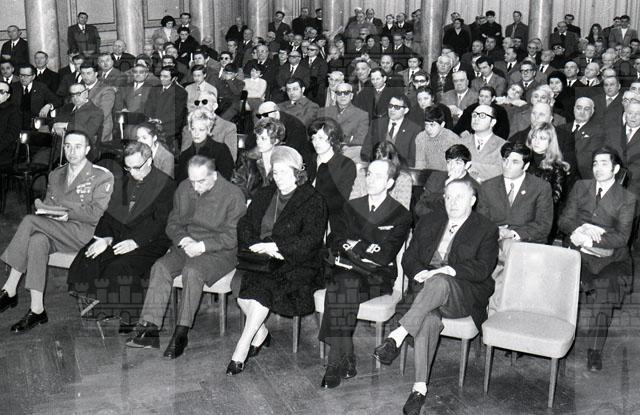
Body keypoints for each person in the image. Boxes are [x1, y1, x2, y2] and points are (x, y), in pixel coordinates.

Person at [372, 178, 499, 415]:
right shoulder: (430, 220)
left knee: (440, 281)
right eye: (448, 197)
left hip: (461, 293)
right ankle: (419, 389)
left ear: (472, 200)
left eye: (459, 197)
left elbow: (483, 267)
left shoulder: (486, 228)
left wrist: (450, 270)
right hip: (424, 292)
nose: (453, 202)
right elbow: (409, 257)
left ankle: (398, 334)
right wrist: (419, 272)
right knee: (429, 319)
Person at [126, 155, 246, 358]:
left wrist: (202, 246)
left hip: (220, 251)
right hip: (187, 245)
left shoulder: (233, 195)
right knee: (160, 267)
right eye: (192, 181)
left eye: (201, 181)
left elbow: (233, 236)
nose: (195, 187)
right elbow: (173, 223)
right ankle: (150, 328)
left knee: (192, 271)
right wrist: (184, 240)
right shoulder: (184, 187)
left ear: (214, 175)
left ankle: (181, 332)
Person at [0, 131, 114, 332]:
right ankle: (37, 310)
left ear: (87, 149)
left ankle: (9, 288)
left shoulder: (102, 176)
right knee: (37, 240)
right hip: (57, 230)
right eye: (68, 146)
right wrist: (47, 211)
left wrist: (67, 213)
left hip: (85, 234)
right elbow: (48, 206)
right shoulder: (56, 174)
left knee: (29, 221)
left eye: (78, 146)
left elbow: (96, 214)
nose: (72, 151)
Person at [227, 146, 327, 375]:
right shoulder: (265, 193)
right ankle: (261, 332)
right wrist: (256, 245)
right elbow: (245, 224)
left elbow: (311, 240)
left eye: (283, 172)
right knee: (238, 284)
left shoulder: (313, 199)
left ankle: (242, 347)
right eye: (275, 171)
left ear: (297, 172)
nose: (277, 177)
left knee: (262, 289)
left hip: (297, 263)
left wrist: (277, 247)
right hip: (262, 258)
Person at [319, 159, 412, 388]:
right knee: (344, 285)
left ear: (390, 183)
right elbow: (335, 239)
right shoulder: (351, 206)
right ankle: (342, 358)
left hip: (377, 276)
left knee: (339, 287)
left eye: (378, 176)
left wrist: (354, 245)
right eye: (369, 174)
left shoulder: (401, 215)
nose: (370, 179)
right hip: (347, 269)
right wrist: (366, 246)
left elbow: (385, 255)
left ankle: (339, 360)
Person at [67, 141, 175, 330]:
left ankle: (129, 315)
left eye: (136, 168)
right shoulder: (124, 181)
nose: (132, 173)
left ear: (149, 161)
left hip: (152, 240)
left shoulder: (166, 184)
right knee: (90, 255)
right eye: (128, 167)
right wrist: (105, 238)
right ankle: (104, 304)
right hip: (121, 233)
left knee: (122, 264)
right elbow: (110, 213)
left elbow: (160, 222)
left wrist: (136, 242)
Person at [558, 147, 636, 371]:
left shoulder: (627, 198)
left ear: (616, 169)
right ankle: (553, 336)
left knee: (605, 293)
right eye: (595, 163)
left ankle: (594, 350)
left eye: (604, 163)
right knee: (559, 285)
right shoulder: (581, 187)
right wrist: (581, 229)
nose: (598, 168)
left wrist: (592, 239)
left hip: (612, 259)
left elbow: (622, 237)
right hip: (579, 254)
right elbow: (564, 220)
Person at [307, 117, 357, 231]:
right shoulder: (309, 160)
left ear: (332, 139)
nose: (316, 142)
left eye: (321, 138)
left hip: (331, 219)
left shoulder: (346, 165)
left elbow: (341, 200)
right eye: (313, 138)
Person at [414, 144, 479, 217]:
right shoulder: (436, 177)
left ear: (467, 165)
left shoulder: (474, 187)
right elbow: (419, 206)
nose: (452, 167)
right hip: (429, 221)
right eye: (449, 162)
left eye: (458, 163)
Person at [361, 95, 422, 165]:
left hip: (400, 168)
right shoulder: (376, 124)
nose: (392, 109)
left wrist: (394, 164)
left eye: (397, 107)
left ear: (406, 110)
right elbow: (365, 151)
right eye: (390, 106)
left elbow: (413, 159)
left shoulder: (414, 129)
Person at [177, 109, 234, 182]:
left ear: (208, 130)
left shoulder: (221, 150)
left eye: (201, 129)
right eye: (193, 129)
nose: (196, 133)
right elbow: (181, 183)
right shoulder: (185, 155)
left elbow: (225, 179)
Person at [232, 117, 284, 199]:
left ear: (276, 141)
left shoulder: (285, 160)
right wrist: (246, 199)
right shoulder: (247, 158)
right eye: (257, 137)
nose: (258, 141)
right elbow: (237, 182)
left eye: (263, 138)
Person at [525, 123, 571, 210]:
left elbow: (555, 200)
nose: (536, 142)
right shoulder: (522, 159)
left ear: (550, 142)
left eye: (542, 138)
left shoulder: (557, 168)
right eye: (534, 137)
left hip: (541, 211)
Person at [318, 82, 369, 157]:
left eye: (346, 93)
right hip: (323, 151)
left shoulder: (362, 115)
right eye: (339, 93)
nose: (342, 96)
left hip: (348, 154)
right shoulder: (323, 112)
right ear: (335, 96)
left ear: (351, 96)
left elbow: (359, 141)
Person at [144, 66, 188, 153]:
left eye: (165, 77)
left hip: (169, 125)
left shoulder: (180, 92)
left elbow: (176, 113)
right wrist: (150, 118)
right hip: (153, 122)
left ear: (174, 78)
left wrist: (159, 120)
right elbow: (148, 106)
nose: (162, 79)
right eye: (161, 76)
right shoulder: (155, 88)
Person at [459, 104, 506, 182]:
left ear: (492, 122)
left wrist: (468, 166)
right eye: (474, 115)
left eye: (482, 115)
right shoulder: (460, 143)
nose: (476, 118)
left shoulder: (503, 146)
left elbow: (501, 171)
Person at [414, 106, 461, 170]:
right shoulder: (421, 137)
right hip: (427, 174)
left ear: (442, 124)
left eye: (432, 125)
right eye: (426, 125)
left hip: (448, 173)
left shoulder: (453, 139)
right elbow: (420, 163)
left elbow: (456, 167)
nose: (428, 129)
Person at [0, 80, 20, 166]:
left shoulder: (14, 110)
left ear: (8, 96)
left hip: (4, 151)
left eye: (1, 92)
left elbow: (11, 134)